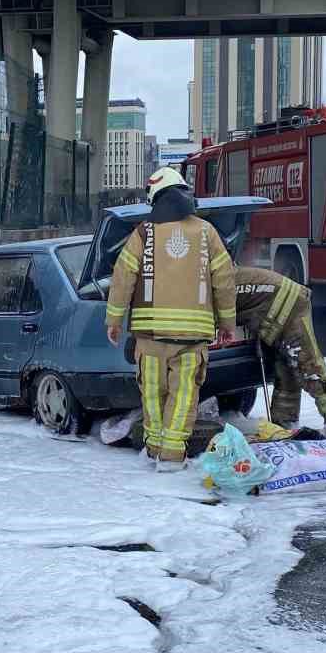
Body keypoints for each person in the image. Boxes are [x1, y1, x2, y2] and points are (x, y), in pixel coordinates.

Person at [106, 168, 237, 471]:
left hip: (150, 336)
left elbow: (123, 275)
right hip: (193, 337)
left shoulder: (143, 233)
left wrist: (113, 318)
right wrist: (228, 324)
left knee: (152, 393)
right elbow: (225, 280)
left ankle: (153, 450)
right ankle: (172, 457)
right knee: (183, 397)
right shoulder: (206, 232)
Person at [233, 266, 326, 429]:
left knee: (309, 367)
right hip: (285, 303)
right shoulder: (220, 277)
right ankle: (285, 422)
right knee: (286, 368)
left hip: (291, 306)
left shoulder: (214, 285)